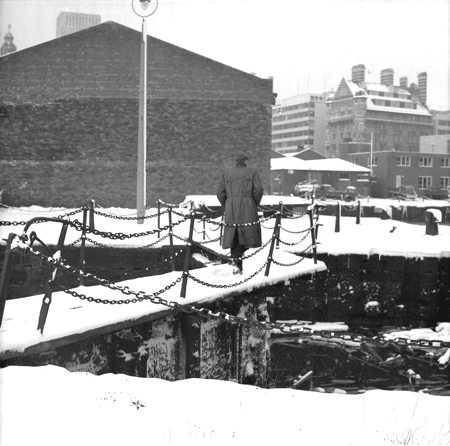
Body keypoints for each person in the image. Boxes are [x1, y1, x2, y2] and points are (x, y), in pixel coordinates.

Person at [216, 153, 264, 274]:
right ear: (245, 161)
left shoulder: (227, 173)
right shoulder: (252, 172)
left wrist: (227, 204)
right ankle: (238, 261)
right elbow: (259, 190)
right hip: (248, 205)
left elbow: (220, 193)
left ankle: (236, 261)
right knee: (248, 232)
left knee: (233, 234)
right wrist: (253, 203)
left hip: (231, 206)